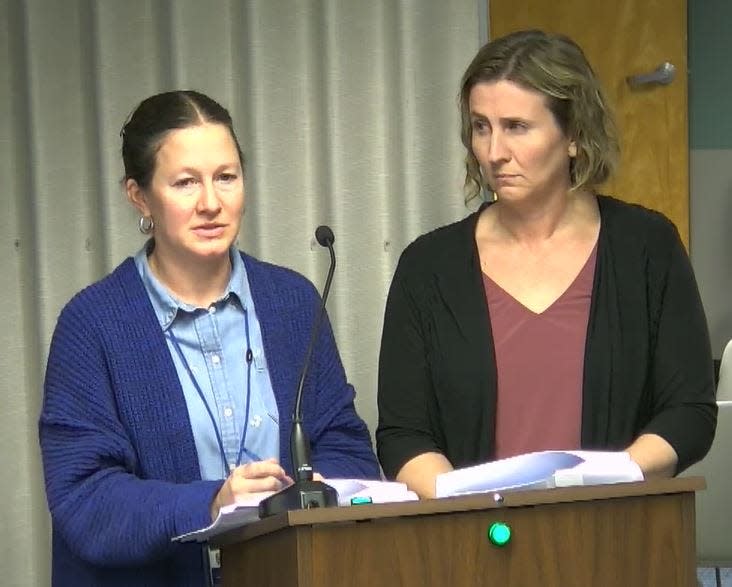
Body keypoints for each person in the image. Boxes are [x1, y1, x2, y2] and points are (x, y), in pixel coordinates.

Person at [39, 90, 380, 586]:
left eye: (226, 177)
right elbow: (85, 500)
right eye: (185, 183)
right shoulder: (91, 324)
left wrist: (324, 488)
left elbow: (346, 445)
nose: (211, 204)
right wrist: (213, 503)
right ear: (140, 197)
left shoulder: (292, 301)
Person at [376, 30, 717, 499]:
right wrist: (470, 509)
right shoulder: (427, 268)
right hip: (473, 545)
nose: (494, 152)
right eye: (481, 127)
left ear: (574, 134)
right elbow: (403, 435)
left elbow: (689, 411)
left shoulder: (647, 248)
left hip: (618, 534)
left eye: (516, 126)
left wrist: (603, 485)